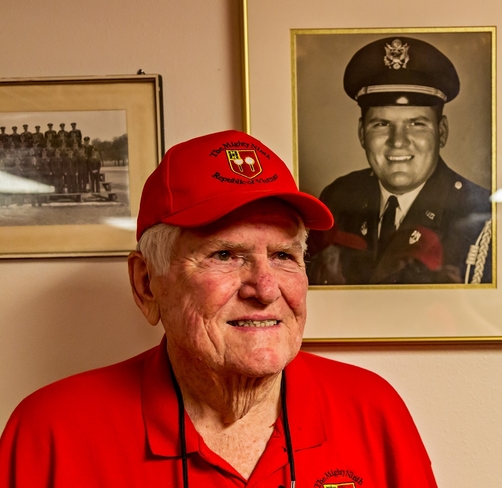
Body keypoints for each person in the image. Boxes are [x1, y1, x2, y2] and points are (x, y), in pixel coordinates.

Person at [0, 130, 438, 487]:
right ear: (146, 283)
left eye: (285, 256)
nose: (265, 288)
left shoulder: (372, 410)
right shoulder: (51, 433)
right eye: (224, 255)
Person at [307, 36, 492, 286]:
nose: (398, 141)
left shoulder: (480, 216)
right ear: (362, 133)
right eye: (382, 124)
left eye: (416, 124)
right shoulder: (338, 198)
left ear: (442, 132)